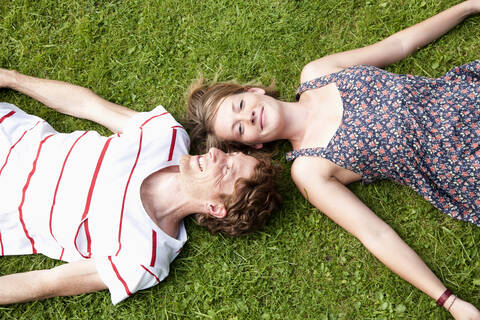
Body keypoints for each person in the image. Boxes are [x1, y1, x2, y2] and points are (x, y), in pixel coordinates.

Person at [186, 1, 480, 318]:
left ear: (254, 90)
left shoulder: (317, 72)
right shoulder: (309, 169)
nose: (249, 116)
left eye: (240, 104)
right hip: (465, 162)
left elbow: (399, 44)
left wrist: (467, 7)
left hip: (467, 96)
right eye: (239, 128)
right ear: (252, 145)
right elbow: (374, 233)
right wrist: (449, 301)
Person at [0, 68, 281, 305]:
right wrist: (11, 78)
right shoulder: (166, 136)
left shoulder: (143, 257)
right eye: (231, 155)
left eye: (227, 169)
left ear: (216, 208)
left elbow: (45, 282)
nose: (217, 154)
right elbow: (88, 105)